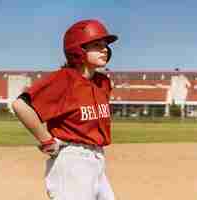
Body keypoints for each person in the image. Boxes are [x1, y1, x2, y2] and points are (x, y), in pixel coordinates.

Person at [12, 19, 118, 200]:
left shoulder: (103, 83)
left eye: (106, 45)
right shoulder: (64, 80)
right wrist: (46, 140)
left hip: (97, 159)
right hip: (72, 160)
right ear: (78, 49)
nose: (105, 49)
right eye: (97, 44)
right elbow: (21, 105)